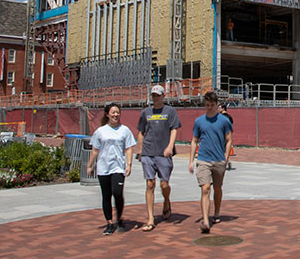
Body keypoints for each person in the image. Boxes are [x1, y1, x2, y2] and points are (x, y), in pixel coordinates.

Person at [136, 84, 182, 231]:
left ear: (163, 96)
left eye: (158, 95)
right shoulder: (145, 112)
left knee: (164, 184)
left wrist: (170, 147)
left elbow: (174, 129)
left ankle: (166, 201)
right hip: (148, 152)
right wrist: (140, 151)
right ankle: (150, 218)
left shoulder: (170, 111)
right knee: (150, 184)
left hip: (163, 153)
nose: (155, 98)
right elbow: (141, 132)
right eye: (153, 95)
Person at [87, 103, 136, 235]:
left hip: (118, 167)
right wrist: (89, 165)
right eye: (113, 112)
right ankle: (109, 223)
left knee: (118, 193)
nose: (115, 115)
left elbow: (129, 148)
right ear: (107, 114)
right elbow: (95, 150)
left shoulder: (124, 130)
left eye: (117, 112)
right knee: (106, 195)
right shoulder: (100, 131)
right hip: (103, 168)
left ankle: (119, 218)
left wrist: (129, 164)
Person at [189, 91, 233, 234]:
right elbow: (194, 140)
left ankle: (217, 212)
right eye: (207, 105)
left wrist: (226, 158)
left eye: (212, 105)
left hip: (219, 160)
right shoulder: (199, 121)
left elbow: (229, 140)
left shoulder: (224, 121)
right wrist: (191, 161)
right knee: (205, 188)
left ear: (216, 105)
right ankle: (206, 220)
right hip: (203, 159)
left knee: (218, 189)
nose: (209, 107)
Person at [219, 103, 234, 170]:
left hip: (221, 135)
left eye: (219, 108)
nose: (218, 109)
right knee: (225, 150)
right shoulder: (230, 117)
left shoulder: (220, 117)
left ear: (223, 108)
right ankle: (227, 161)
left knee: (220, 150)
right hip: (228, 135)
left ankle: (224, 163)